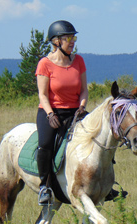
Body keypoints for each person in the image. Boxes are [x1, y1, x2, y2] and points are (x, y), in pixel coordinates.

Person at [35, 20, 88, 205]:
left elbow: (84, 90)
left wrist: (82, 106)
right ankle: (44, 187)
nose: (73, 41)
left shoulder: (79, 61)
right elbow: (42, 94)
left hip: (75, 112)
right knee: (46, 144)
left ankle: (105, 183)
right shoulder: (45, 64)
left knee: (98, 135)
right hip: (51, 112)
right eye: (69, 38)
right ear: (56, 42)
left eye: (74, 37)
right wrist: (50, 115)